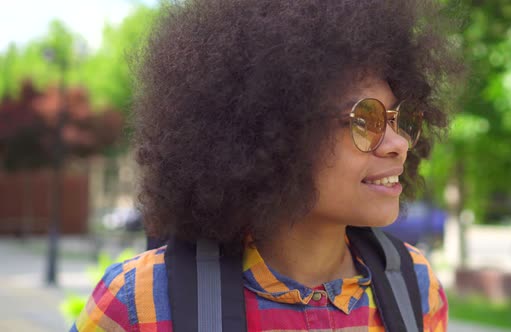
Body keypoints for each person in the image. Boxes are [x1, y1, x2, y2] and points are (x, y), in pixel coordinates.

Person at [72, 0, 461, 331]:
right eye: (364, 120)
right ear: (277, 132)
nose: (397, 145)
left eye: (402, 119)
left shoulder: (415, 288)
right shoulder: (140, 304)